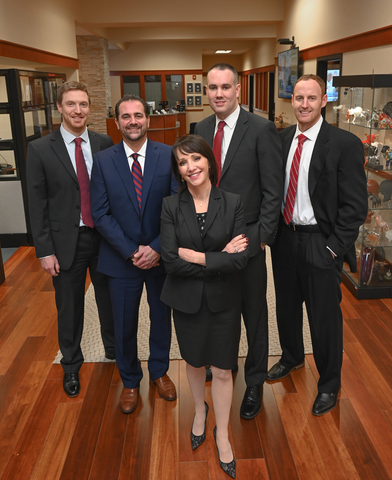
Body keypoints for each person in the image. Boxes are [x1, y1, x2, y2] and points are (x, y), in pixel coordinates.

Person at [267, 74, 368, 416]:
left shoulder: (344, 143)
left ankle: (329, 384)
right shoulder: (280, 140)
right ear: (291, 100)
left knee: (324, 318)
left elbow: (355, 207)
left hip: (320, 242)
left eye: (312, 98)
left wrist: (332, 249)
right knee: (286, 306)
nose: (304, 104)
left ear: (324, 101)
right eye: (298, 98)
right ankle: (292, 357)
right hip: (285, 239)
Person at [195, 63, 283, 419]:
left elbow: (272, 192)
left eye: (225, 87)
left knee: (253, 314)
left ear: (238, 91)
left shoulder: (261, 129)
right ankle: (222, 370)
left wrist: (260, 239)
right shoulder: (200, 127)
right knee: (219, 311)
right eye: (212, 87)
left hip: (247, 240)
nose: (218, 93)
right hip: (210, 242)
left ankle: (255, 382)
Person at [160, 134, 249, 479]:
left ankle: (222, 431)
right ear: (178, 172)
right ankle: (200, 410)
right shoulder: (170, 206)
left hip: (225, 299)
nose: (190, 167)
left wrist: (196, 256)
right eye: (182, 163)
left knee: (224, 369)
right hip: (185, 300)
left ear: (208, 161)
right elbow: (169, 261)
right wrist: (218, 257)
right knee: (195, 362)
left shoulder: (233, 202)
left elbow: (240, 260)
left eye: (195, 159)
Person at [26, 81, 115, 398]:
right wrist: (44, 250)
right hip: (66, 242)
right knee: (69, 306)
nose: (78, 110)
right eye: (71, 104)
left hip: (104, 239)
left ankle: (113, 349)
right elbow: (36, 204)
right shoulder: (39, 149)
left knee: (109, 298)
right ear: (60, 108)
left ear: (89, 108)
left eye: (83, 104)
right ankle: (71, 365)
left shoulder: (104, 143)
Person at [90, 94, 178, 414]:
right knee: (124, 323)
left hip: (160, 257)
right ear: (117, 123)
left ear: (148, 120)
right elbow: (100, 214)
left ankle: (160, 372)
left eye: (138, 115)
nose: (133, 121)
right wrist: (131, 252)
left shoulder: (168, 156)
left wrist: (155, 248)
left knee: (160, 319)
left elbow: (176, 208)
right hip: (120, 259)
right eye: (125, 117)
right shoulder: (103, 161)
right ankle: (129, 380)